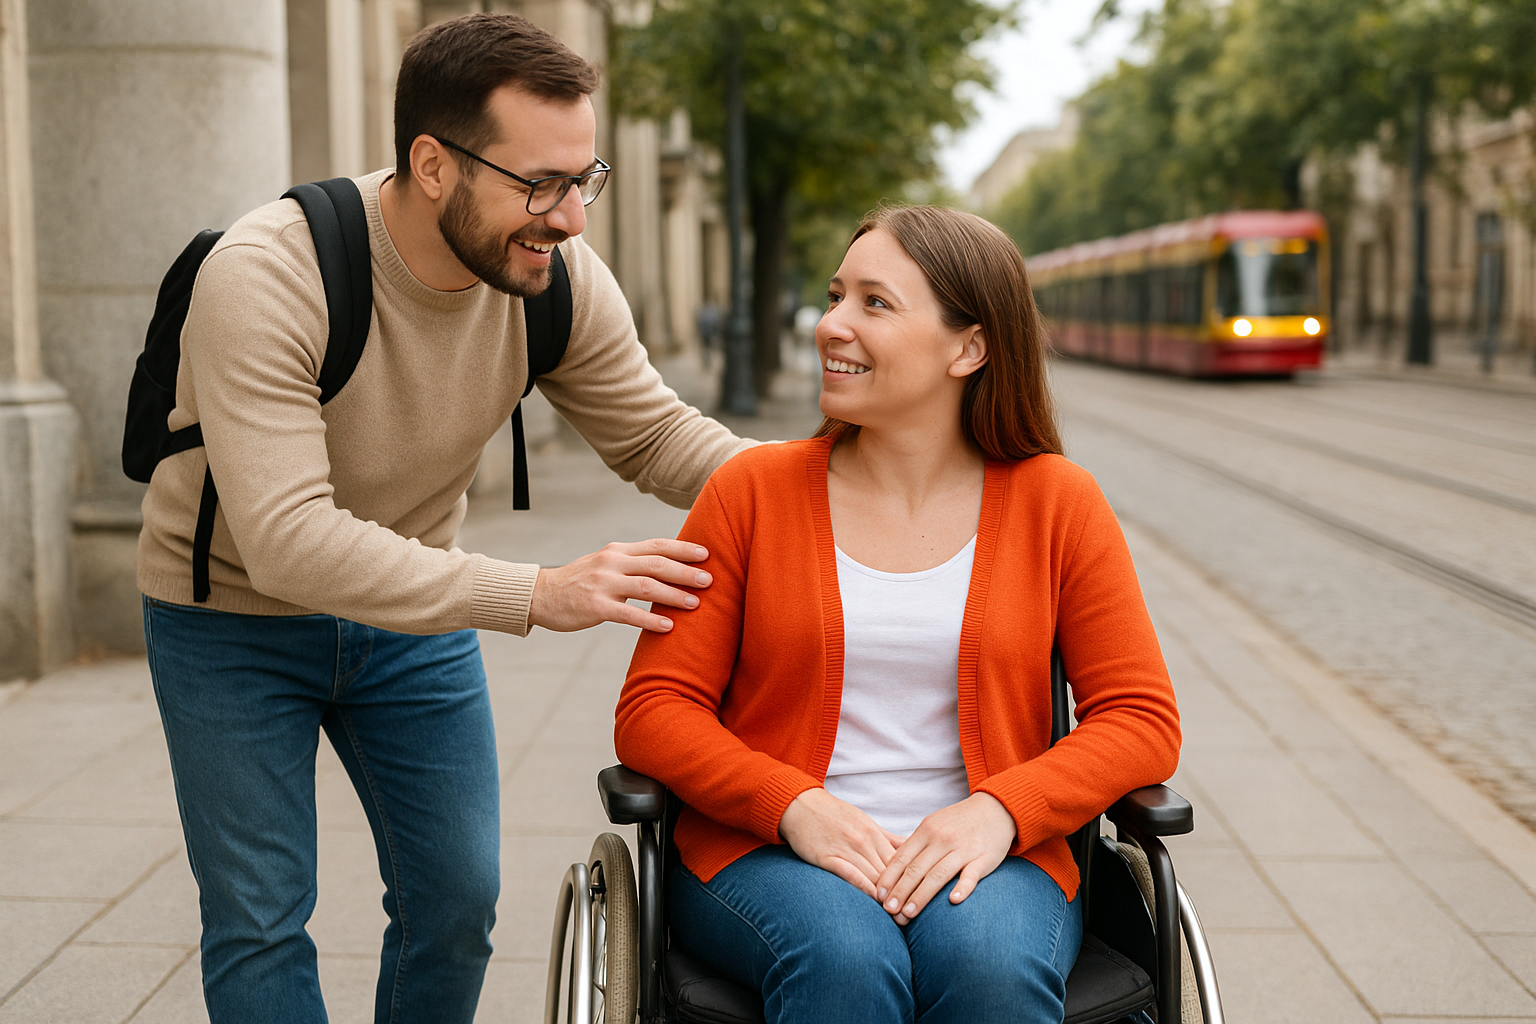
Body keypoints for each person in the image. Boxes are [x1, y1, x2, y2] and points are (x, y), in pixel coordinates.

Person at [137, 14, 750, 1024]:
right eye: (539, 184)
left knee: (458, 899)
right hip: (230, 618)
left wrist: (839, 484)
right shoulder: (265, 273)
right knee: (259, 915)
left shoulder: (550, 278)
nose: (571, 218)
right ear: (433, 164)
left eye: (583, 178)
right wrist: (538, 592)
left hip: (407, 619)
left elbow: (656, 437)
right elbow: (290, 540)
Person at [615, 206, 1181, 1023]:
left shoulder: (1059, 503)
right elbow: (653, 711)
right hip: (767, 852)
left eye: (874, 304)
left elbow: (1141, 719)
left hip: (991, 857)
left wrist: (1001, 811)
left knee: (991, 966)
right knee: (844, 959)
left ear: (969, 347)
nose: (830, 324)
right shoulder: (749, 493)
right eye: (836, 295)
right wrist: (791, 805)